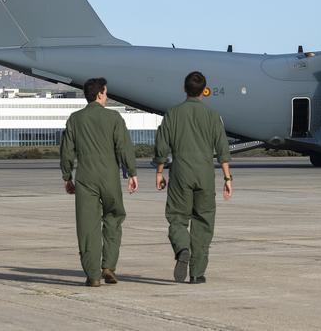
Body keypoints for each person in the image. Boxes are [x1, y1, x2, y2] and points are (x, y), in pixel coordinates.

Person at [154, 71, 233, 284]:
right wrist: (227, 179)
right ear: (204, 91)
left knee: (177, 218)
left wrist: (160, 172)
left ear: (184, 89)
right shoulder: (212, 116)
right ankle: (197, 273)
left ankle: (182, 248)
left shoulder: (172, 114)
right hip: (205, 175)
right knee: (204, 221)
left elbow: (162, 145)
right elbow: (222, 148)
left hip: (181, 173)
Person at [60, 77, 138, 287]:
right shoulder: (114, 117)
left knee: (87, 226)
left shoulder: (75, 119)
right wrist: (132, 173)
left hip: (85, 177)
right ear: (100, 94)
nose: (107, 95)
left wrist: (67, 176)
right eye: (106, 92)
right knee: (114, 218)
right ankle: (108, 266)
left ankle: (93, 274)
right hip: (109, 177)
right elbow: (124, 147)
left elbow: (67, 150)